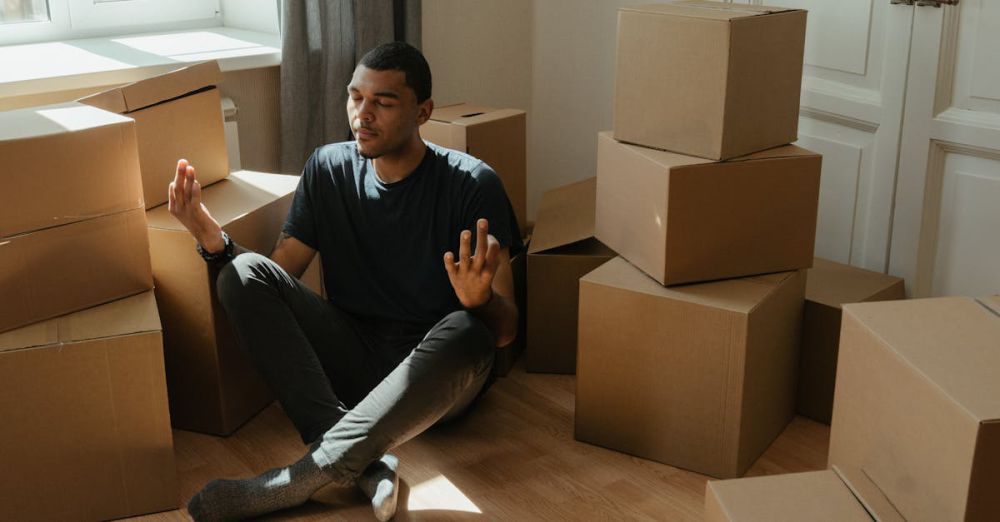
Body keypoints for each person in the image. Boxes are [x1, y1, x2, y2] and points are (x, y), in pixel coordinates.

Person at [169, 41, 522, 521]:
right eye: (356, 97)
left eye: (383, 102)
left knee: (466, 329)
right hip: (356, 357)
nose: (362, 114)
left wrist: (480, 301)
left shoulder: (472, 184)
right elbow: (278, 272)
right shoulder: (328, 167)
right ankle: (363, 464)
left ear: (423, 112)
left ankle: (299, 480)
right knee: (241, 273)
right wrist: (213, 241)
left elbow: (505, 330)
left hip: (438, 379)